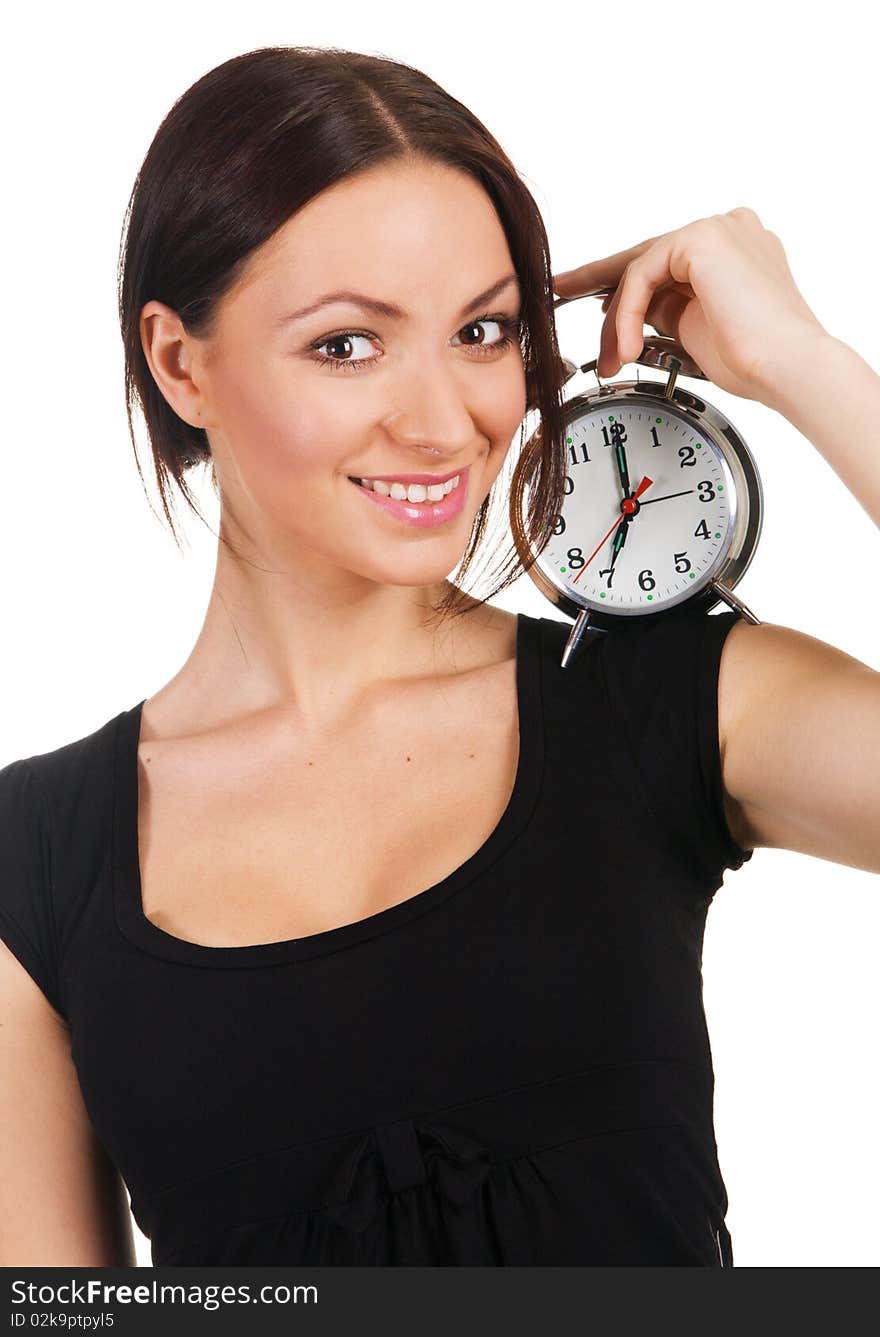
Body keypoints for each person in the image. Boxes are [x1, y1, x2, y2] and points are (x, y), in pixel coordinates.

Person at [0, 45, 877, 1269]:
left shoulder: (664, 696)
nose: (443, 418)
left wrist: (807, 363)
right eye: (348, 345)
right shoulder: (34, 854)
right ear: (179, 361)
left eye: (482, 330)